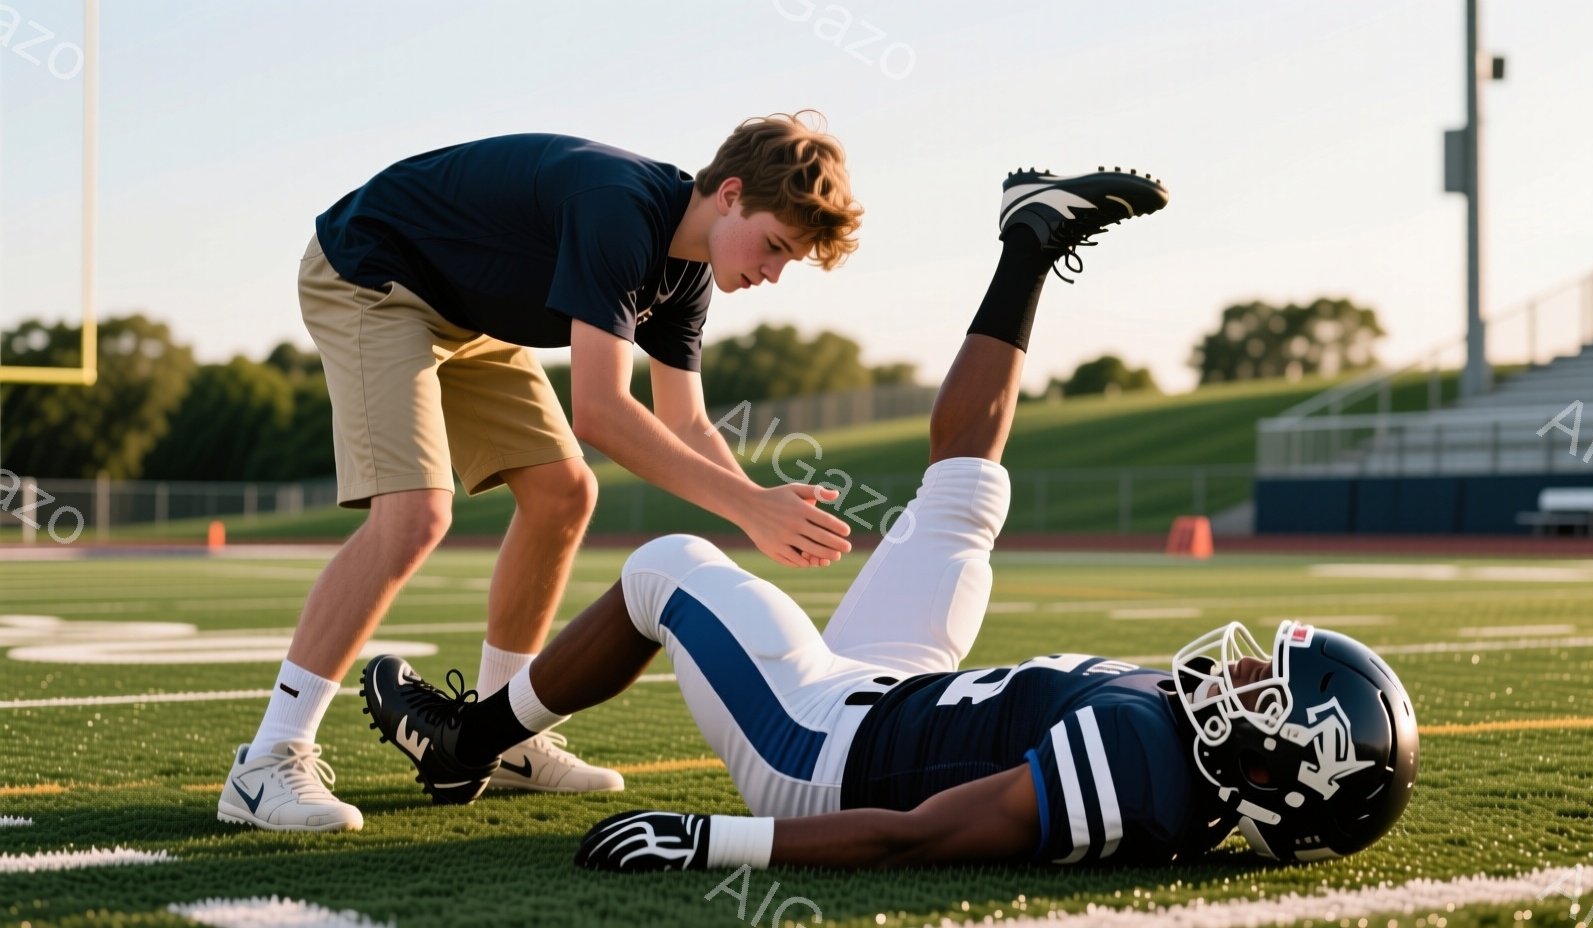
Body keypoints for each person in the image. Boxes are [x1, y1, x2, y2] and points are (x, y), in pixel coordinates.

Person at [362, 165, 1420, 869]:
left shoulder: (1146, 775)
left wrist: (717, 843)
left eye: (1268, 690)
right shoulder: (1183, 743)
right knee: (965, 495)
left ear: (1277, 768)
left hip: (819, 750)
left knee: (666, 565)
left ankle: (467, 740)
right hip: (894, 694)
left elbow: (921, 836)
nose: (1243, 669)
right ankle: (1029, 241)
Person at [218, 113, 863, 833]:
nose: (773, 273)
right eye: (774, 246)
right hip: (374, 271)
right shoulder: (620, 212)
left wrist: (755, 499)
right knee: (416, 514)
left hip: (465, 312)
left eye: (788, 260)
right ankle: (267, 760)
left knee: (564, 493)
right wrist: (749, 509)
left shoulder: (687, 274)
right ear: (731, 194)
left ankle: (502, 735)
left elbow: (686, 423)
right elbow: (601, 412)